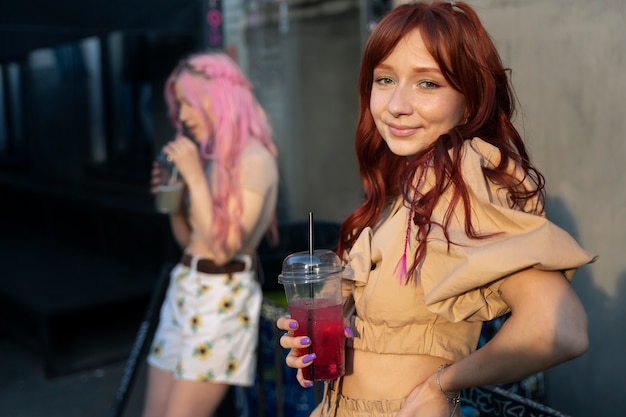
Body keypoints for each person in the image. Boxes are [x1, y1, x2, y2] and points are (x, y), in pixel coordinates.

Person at [276, 2, 597, 417]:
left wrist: (444, 384)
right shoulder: (404, 189)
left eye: (428, 84)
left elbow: (561, 329)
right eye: (385, 79)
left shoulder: (464, 179)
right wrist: (315, 341)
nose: (396, 104)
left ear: (470, 97)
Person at [142, 52, 279, 417]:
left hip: (222, 298)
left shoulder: (255, 159)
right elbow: (190, 240)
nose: (182, 116)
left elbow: (224, 249)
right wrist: (176, 198)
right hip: (185, 286)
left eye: (187, 102)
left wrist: (195, 178)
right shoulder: (212, 158)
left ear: (216, 96)